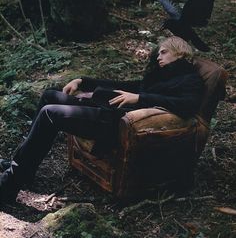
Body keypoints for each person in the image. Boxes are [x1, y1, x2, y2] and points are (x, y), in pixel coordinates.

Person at [0, 36, 204, 204]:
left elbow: (189, 106)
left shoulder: (190, 79)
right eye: (158, 52)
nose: (158, 56)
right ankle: (25, 171)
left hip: (118, 123)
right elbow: (124, 85)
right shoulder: (160, 76)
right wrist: (83, 81)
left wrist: (141, 98)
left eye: (164, 51)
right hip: (109, 111)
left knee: (49, 112)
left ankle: (9, 184)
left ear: (180, 51)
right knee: (50, 95)